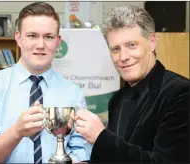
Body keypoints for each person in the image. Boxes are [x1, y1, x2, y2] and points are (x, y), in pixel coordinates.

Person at [0, 2, 91, 163]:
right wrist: (16, 132)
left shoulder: (73, 93)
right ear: (18, 38)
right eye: (32, 36)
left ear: (58, 41)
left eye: (48, 37)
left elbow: (81, 151)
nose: (40, 45)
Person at [75, 4, 189, 163]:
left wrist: (101, 138)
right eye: (115, 49)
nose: (123, 57)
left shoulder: (181, 93)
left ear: (152, 41)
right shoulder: (117, 100)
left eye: (131, 45)